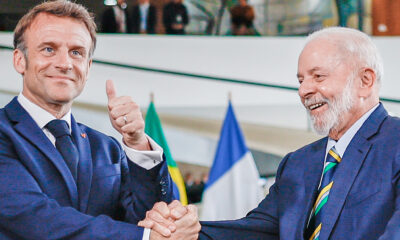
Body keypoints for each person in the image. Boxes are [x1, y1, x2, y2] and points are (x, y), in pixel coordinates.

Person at [140, 27, 400, 239]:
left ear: (365, 81)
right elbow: (254, 231)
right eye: (300, 80)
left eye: (318, 76)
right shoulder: (298, 163)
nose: (304, 90)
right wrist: (184, 231)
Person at [0, 1, 177, 239]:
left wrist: (137, 145)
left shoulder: (108, 148)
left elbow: (151, 216)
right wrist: (145, 237)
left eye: (76, 52)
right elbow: (32, 218)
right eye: (48, 49)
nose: (64, 63)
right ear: (20, 60)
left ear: (88, 66)